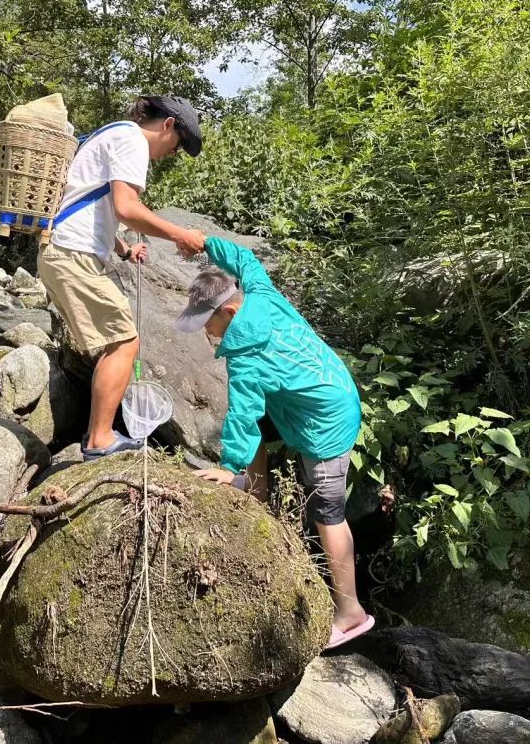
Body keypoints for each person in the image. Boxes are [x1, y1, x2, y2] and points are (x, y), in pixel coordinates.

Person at [174, 236, 375, 649]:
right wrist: (204, 242)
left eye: (207, 323)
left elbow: (242, 415)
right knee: (263, 428)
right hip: (330, 389)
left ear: (228, 311)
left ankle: (351, 612)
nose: (206, 333)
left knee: (327, 511)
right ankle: (259, 492)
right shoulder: (260, 292)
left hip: (327, 424)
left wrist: (229, 467)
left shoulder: (245, 356)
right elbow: (244, 258)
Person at [39, 94, 207, 461]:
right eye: (178, 145)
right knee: (125, 342)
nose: (172, 153)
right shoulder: (132, 141)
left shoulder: (110, 134)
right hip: (72, 256)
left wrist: (123, 250)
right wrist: (182, 234)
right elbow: (127, 208)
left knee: (116, 341)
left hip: (64, 250)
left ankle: (100, 432)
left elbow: (89, 203)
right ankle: (99, 439)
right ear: (167, 125)